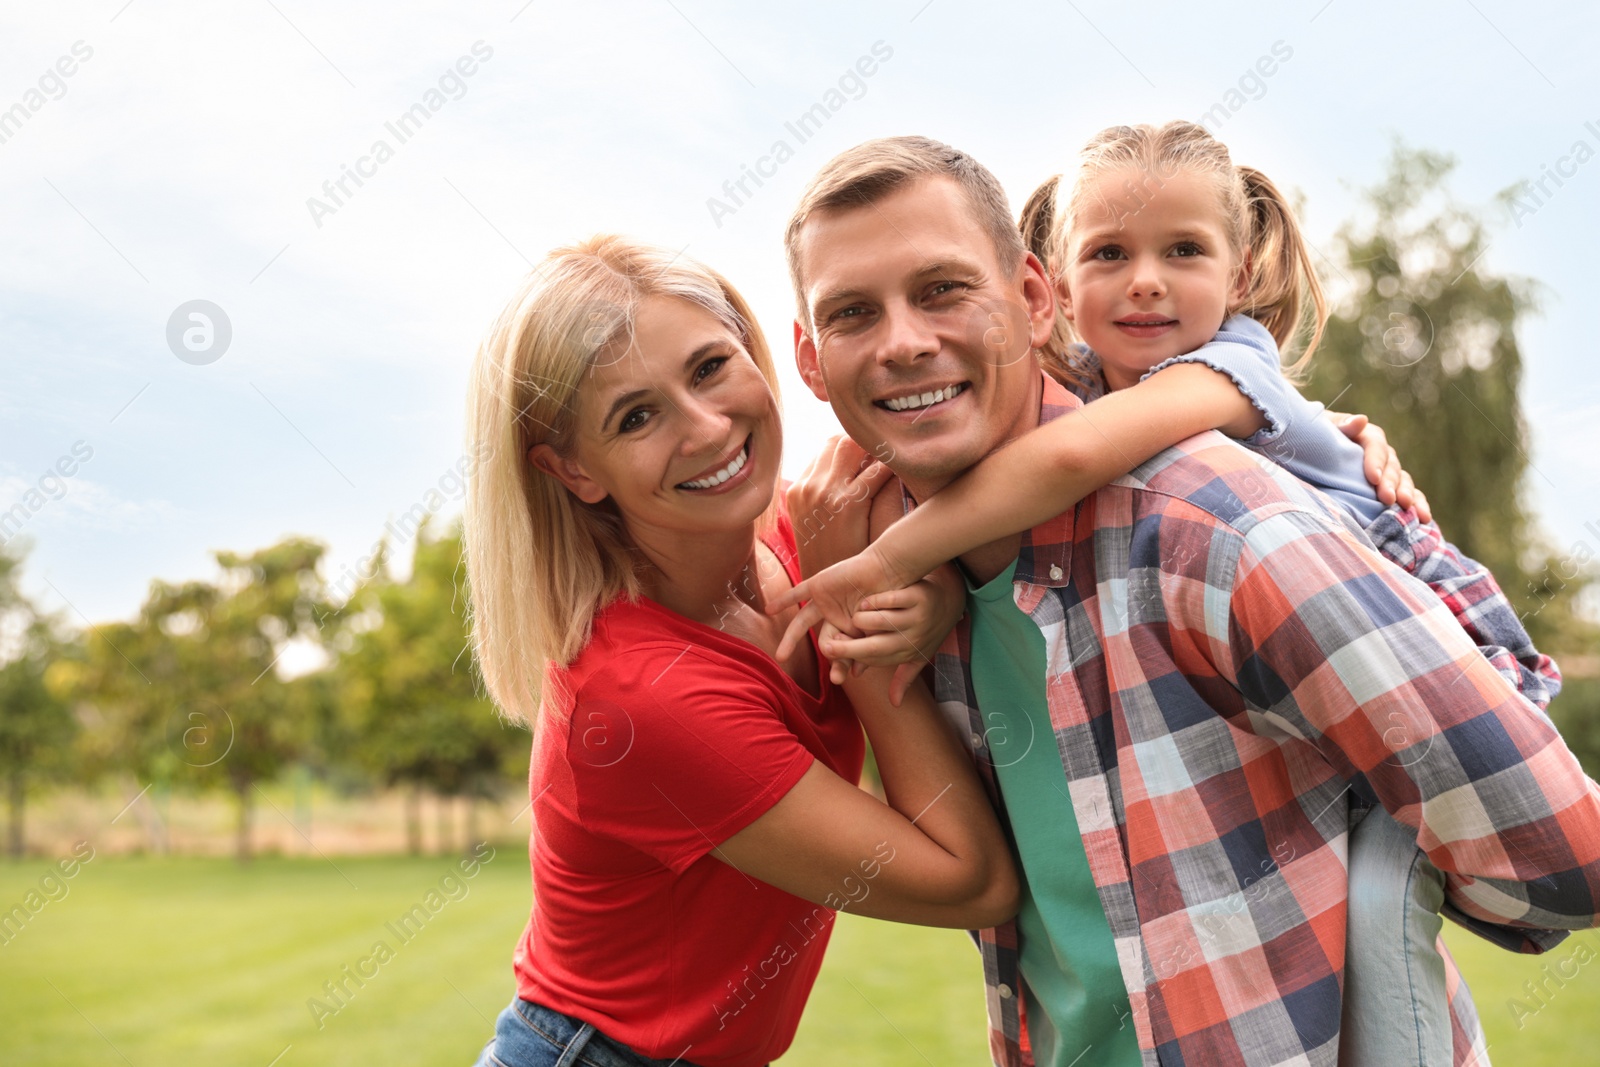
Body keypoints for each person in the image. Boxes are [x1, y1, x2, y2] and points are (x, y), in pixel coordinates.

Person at [772, 133, 1600, 1066]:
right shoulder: (911, 564)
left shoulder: (1215, 523)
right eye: (852, 313)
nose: (904, 343)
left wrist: (1377, 867)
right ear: (810, 359)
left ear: (1033, 299)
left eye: (941, 289)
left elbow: (1566, 852)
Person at [459, 236, 1017, 1067]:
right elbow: (973, 882)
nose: (709, 426)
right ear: (572, 469)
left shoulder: (808, 523)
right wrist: (854, 624)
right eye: (637, 416)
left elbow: (1006, 462)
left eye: (711, 366)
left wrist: (920, 582)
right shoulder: (641, 698)